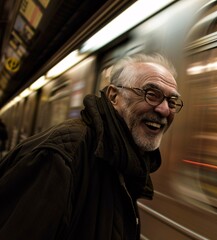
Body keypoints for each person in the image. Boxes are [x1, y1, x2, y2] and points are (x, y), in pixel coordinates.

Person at [0, 53, 183, 239]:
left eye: (172, 101)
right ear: (113, 96)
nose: (164, 109)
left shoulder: (125, 162)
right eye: (151, 95)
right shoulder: (59, 158)